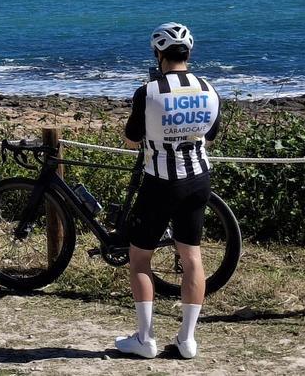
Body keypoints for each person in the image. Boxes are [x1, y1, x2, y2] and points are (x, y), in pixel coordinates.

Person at [115, 22, 221, 360]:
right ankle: (187, 340)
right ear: (189, 53)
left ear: (158, 54)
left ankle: (145, 339)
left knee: (141, 259)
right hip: (199, 178)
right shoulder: (208, 88)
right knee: (192, 258)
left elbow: (132, 138)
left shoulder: (148, 91)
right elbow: (212, 134)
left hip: (160, 181)